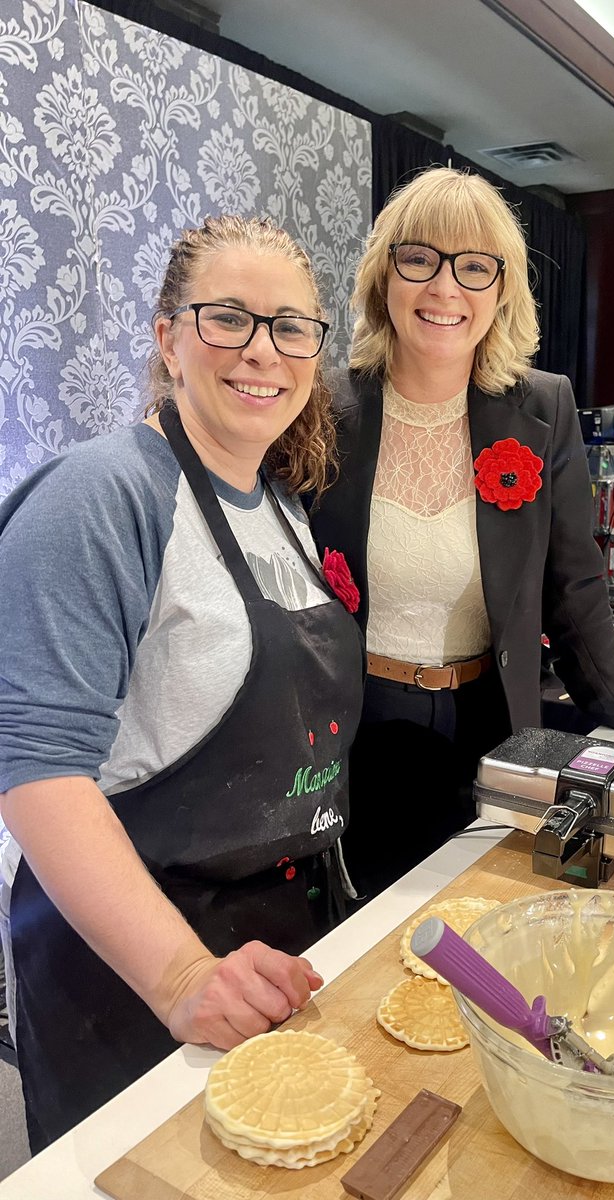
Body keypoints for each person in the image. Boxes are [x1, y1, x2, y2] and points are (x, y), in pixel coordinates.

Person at [0, 215, 366, 1150]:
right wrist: (180, 981)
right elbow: (35, 770)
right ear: (167, 339)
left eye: (290, 327)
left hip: (272, 946)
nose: (263, 352)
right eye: (227, 319)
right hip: (137, 975)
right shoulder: (99, 497)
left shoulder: (281, 506)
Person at [309, 167, 614, 899]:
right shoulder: (323, 409)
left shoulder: (543, 406)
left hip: (490, 722)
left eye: (473, 268)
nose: (444, 289)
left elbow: (574, 579)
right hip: (354, 730)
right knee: (368, 935)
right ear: (384, 276)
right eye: (419, 259)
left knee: (486, 918)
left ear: (501, 290)